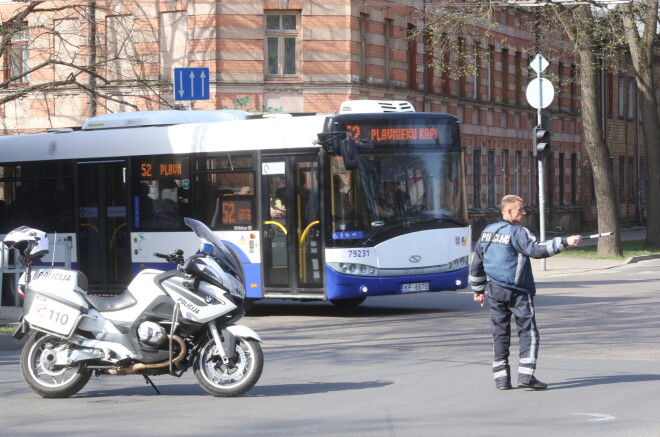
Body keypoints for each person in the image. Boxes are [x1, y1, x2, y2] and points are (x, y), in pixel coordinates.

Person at [469, 194, 581, 390]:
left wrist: (478, 289)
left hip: (494, 290)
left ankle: (502, 380)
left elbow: (477, 261)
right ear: (509, 211)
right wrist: (565, 241)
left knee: (500, 333)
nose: (524, 212)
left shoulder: (488, 231)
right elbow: (536, 250)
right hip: (518, 291)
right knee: (528, 332)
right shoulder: (519, 232)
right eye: (521, 209)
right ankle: (526, 376)